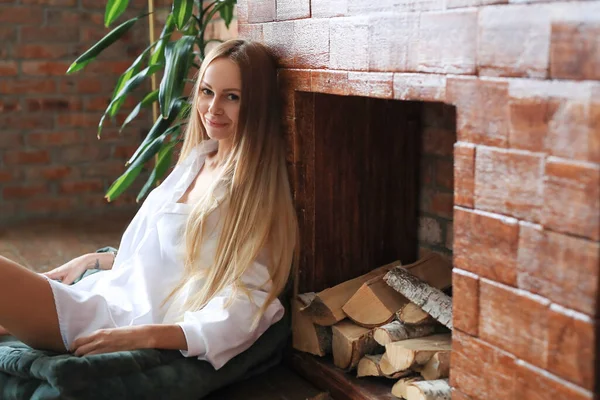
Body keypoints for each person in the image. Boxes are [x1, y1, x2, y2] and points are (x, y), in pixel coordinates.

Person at [0, 39, 298, 370]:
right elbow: (165, 251)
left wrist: (144, 337)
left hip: (114, 319)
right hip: (106, 293)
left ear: (257, 105)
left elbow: (252, 303)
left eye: (232, 97)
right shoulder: (197, 161)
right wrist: (99, 259)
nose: (213, 108)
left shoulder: (249, 195)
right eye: (206, 91)